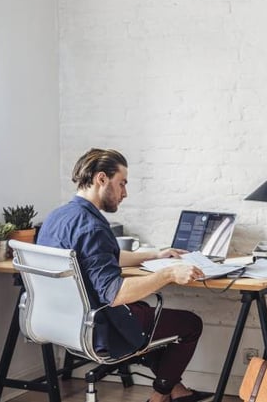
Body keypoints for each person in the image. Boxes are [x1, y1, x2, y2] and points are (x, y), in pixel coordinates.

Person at [38, 148, 212, 402]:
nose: (125, 193)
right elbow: (116, 294)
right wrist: (169, 273)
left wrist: (154, 255)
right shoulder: (93, 227)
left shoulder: (58, 217)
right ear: (101, 179)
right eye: (122, 184)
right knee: (189, 324)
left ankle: (176, 389)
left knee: (144, 315)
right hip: (98, 326)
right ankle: (160, 396)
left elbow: (100, 256)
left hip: (61, 321)